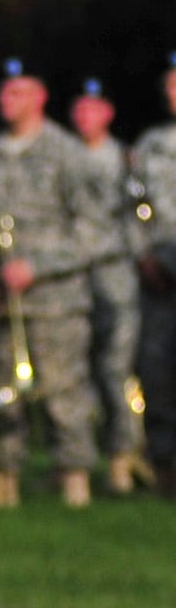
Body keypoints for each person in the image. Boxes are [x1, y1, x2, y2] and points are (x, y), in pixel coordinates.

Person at [0, 59, 107, 510]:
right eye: (5, 93)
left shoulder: (66, 153)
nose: (9, 101)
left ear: (40, 97)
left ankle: (74, 480)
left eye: (19, 92)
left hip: (55, 301)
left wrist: (38, 266)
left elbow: (93, 230)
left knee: (64, 393)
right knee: (1, 394)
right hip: (1, 303)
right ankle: (0, 478)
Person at [67, 79, 149, 492]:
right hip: (72, 275)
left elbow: (139, 213)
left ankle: (123, 456)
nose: (84, 117)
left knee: (116, 368)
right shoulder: (62, 158)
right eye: (79, 109)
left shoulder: (124, 160)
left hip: (115, 274)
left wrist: (143, 260)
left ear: (107, 114)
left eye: (92, 109)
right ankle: (76, 461)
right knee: (74, 371)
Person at [130, 56, 176, 486]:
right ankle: (164, 467)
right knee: (157, 368)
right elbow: (132, 209)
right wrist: (142, 255)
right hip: (161, 274)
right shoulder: (150, 147)